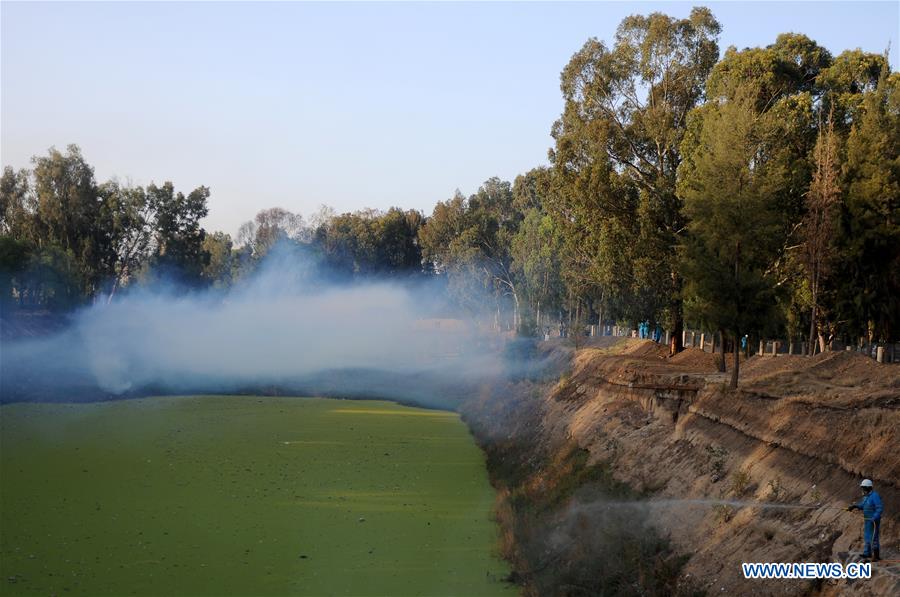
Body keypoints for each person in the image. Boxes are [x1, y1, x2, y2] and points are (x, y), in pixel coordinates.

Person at [847, 479, 883, 560]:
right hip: (867, 520)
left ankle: (876, 556)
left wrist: (874, 517)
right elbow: (862, 505)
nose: (862, 490)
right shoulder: (866, 497)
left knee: (874, 537)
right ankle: (867, 553)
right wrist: (854, 506)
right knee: (867, 536)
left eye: (863, 488)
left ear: (868, 488)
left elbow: (879, 508)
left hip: (873, 521)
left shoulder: (875, 496)